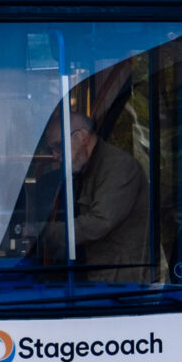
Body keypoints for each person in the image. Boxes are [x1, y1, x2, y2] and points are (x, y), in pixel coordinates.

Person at [67, 109, 150, 281]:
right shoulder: (84, 168)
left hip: (122, 281)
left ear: (82, 137)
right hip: (100, 274)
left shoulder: (119, 167)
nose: (55, 155)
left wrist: (45, 232)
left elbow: (99, 222)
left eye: (58, 146)